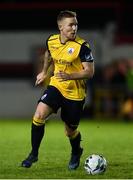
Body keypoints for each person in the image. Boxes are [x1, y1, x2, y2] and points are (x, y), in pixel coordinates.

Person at [21, 10, 94, 170]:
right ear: (60, 27)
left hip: (75, 94)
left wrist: (70, 76)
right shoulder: (51, 40)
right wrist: (44, 71)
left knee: (70, 131)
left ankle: (76, 151)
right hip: (57, 86)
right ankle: (33, 154)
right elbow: (49, 54)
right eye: (70, 25)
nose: (74, 28)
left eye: (76, 24)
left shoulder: (82, 46)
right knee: (39, 114)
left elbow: (89, 72)